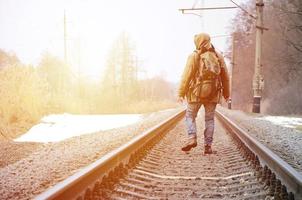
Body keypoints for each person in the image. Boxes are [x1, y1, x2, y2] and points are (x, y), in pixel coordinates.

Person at [178, 33, 230, 154]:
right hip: (213, 93)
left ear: (198, 42)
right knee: (209, 119)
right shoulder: (218, 55)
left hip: (196, 93)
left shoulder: (194, 56)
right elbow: (225, 77)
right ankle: (208, 146)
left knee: (190, 116)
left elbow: (186, 76)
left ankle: (192, 138)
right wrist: (226, 94)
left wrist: (181, 93)